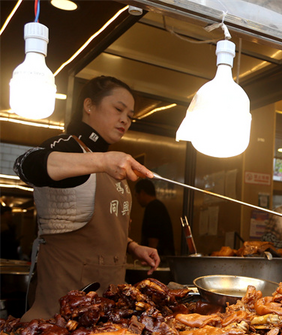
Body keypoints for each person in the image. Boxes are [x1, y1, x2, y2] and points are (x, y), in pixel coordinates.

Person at [14, 75, 158, 321]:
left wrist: (132, 246)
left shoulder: (113, 161)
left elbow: (96, 222)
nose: (125, 119)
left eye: (130, 116)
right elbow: (25, 165)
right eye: (118, 109)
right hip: (64, 304)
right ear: (89, 106)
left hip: (109, 302)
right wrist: (101, 160)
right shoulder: (69, 146)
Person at [134, 178, 175, 256]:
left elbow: (153, 238)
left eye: (136, 195)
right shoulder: (158, 206)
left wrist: (149, 258)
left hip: (159, 258)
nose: (137, 199)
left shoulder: (153, 207)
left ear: (142, 193)